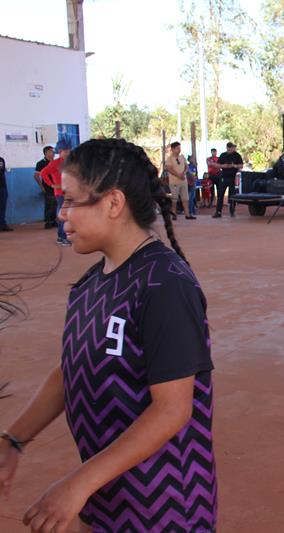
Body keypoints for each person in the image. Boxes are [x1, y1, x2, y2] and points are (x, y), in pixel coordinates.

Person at [0, 138, 217, 532]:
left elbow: (172, 409)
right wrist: (13, 439)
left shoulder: (164, 284)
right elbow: (71, 372)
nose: (62, 214)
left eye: (71, 200)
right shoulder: (89, 285)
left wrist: (77, 484)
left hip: (165, 510)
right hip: (107, 503)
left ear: (113, 203)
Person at [40, 142, 72, 245]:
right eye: (65, 151)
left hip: (70, 192)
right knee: (63, 214)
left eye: (69, 150)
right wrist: (52, 185)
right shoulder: (55, 163)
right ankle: (62, 237)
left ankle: (61, 236)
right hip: (60, 193)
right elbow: (43, 173)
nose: (68, 153)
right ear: (60, 152)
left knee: (68, 215)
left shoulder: (71, 162)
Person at [213, 142, 243, 218]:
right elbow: (217, 165)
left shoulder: (237, 155)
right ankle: (218, 211)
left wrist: (234, 165)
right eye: (230, 148)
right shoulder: (223, 155)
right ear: (227, 148)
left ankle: (232, 211)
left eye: (232, 148)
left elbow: (241, 165)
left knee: (232, 195)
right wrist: (224, 166)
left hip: (232, 177)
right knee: (220, 194)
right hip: (223, 177)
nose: (231, 149)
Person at [165, 142, 194, 220]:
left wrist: (184, 173)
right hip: (174, 181)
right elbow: (169, 169)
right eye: (177, 148)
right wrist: (178, 175)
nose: (179, 150)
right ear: (173, 149)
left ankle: (187, 214)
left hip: (183, 181)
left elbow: (186, 166)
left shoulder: (182, 157)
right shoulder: (170, 158)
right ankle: (174, 214)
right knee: (174, 199)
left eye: (180, 148)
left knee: (185, 198)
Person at [34, 146, 57, 229]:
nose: (53, 153)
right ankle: (47, 222)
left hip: (56, 186)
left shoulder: (55, 162)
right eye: (51, 151)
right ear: (46, 152)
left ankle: (53, 220)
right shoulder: (41, 163)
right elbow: (36, 176)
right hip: (47, 186)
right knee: (49, 204)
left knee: (55, 204)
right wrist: (42, 187)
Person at [187, 154, 199, 218]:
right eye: (192, 159)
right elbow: (189, 175)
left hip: (194, 183)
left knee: (193, 197)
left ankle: (193, 210)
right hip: (190, 183)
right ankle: (190, 211)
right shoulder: (188, 166)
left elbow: (195, 175)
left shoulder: (194, 166)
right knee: (190, 198)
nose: (193, 160)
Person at [0, 154, 9, 232]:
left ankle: (2, 224)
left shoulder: (1, 160)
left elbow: (3, 172)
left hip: (2, 187)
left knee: (2, 206)